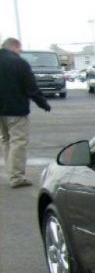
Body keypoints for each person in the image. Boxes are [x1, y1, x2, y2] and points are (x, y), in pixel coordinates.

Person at [0, 37, 51, 188]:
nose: (20, 53)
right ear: (15, 47)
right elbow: (31, 88)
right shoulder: (19, 63)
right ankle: (16, 177)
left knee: (6, 140)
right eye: (19, 50)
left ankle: (11, 171)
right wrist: (43, 104)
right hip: (16, 109)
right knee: (18, 141)